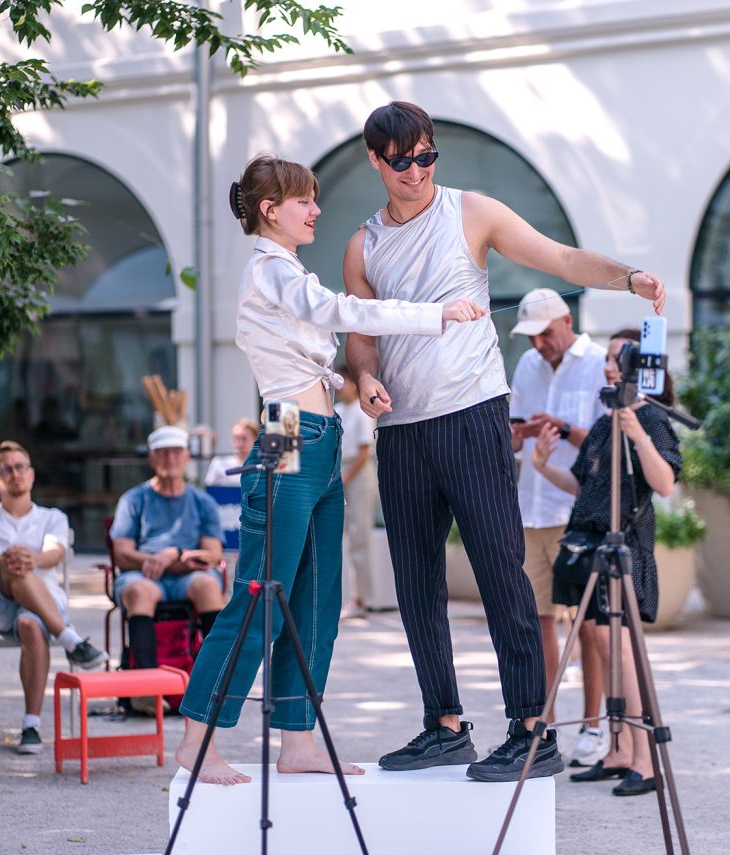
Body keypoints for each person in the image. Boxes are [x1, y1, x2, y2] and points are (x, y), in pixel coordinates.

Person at [344, 100, 666, 782]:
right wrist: (366, 378)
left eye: (427, 157)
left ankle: (530, 730)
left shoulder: (471, 212)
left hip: (472, 414)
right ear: (376, 160)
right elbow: (362, 338)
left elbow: (561, 257)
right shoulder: (362, 245)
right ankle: (443, 726)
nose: (416, 171)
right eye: (401, 162)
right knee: (416, 582)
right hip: (401, 430)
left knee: (499, 568)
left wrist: (630, 277)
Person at [174, 153, 484, 785]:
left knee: (317, 603)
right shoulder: (269, 269)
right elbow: (344, 311)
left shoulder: (287, 269)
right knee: (261, 596)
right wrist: (436, 314)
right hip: (284, 431)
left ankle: (298, 741)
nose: (316, 210)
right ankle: (197, 740)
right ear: (270, 210)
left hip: (318, 435)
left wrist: (362, 382)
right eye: (304, 200)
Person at [531, 328, 683, 796]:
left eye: (620, 359)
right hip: (589, 547)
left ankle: (646, 760)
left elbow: (664, 483)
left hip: (625, 547)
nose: (610, 366)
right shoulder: (603, 422)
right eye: (609, 359)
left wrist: (638, 435)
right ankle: (618, 750)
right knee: (600, 642)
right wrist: (542, 467)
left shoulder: (651, 419)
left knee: (623, 648)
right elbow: (584, 486)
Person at [507, 287, 610, 765]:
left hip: (578, 513)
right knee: (538, 623)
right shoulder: (528, 366)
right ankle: (543, 727)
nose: (538, 344)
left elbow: (609, 445)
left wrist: (563, 428)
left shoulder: (599, 363)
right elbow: (512, 438)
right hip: (531, 509)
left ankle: (593, 725)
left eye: (545, 333)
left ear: (567, 321)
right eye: (531, 336)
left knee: (589, 627)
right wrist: (518, 434)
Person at [0, 440, 108, 755]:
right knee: (12, 566)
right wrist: (5, 560)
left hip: (41, 607)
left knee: (31, 625)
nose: (15, 473)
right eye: (6, 469)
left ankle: (31, 725)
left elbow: (55, 552)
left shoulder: (52, 517)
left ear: (31, 474)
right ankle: (71, 640)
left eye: (20, 467)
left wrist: (33, 559)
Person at [111, 425, 226, 673]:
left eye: (176, 451)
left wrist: (173, 555)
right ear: (151, 458)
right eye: (162, 452)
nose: (170, 458)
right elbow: (121, 553)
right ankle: (147, 682)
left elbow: (213, 554)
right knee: (139, 591)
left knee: (207, 585)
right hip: (144, 574)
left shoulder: (203, 502)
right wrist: (156, 560)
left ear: (187, 456)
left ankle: (216, 676)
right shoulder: (133, 499)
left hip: (189, 574)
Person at [335, 368, 379, 618]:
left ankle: (362, 599)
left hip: (359, 472)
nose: (340, 387)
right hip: (340, 471)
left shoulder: (363, 411)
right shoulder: (337, 411)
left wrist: (344, 478)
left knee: (359, 535)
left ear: (353, 383)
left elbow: (364, 452)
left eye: (344, 382)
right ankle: (348, 597)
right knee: (340, 538)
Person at [205, 418, 259, 487]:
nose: (240, 444)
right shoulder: (219, 464)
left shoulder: (262, 467)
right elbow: (208, 490)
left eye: (244, 439)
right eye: (236, 438)